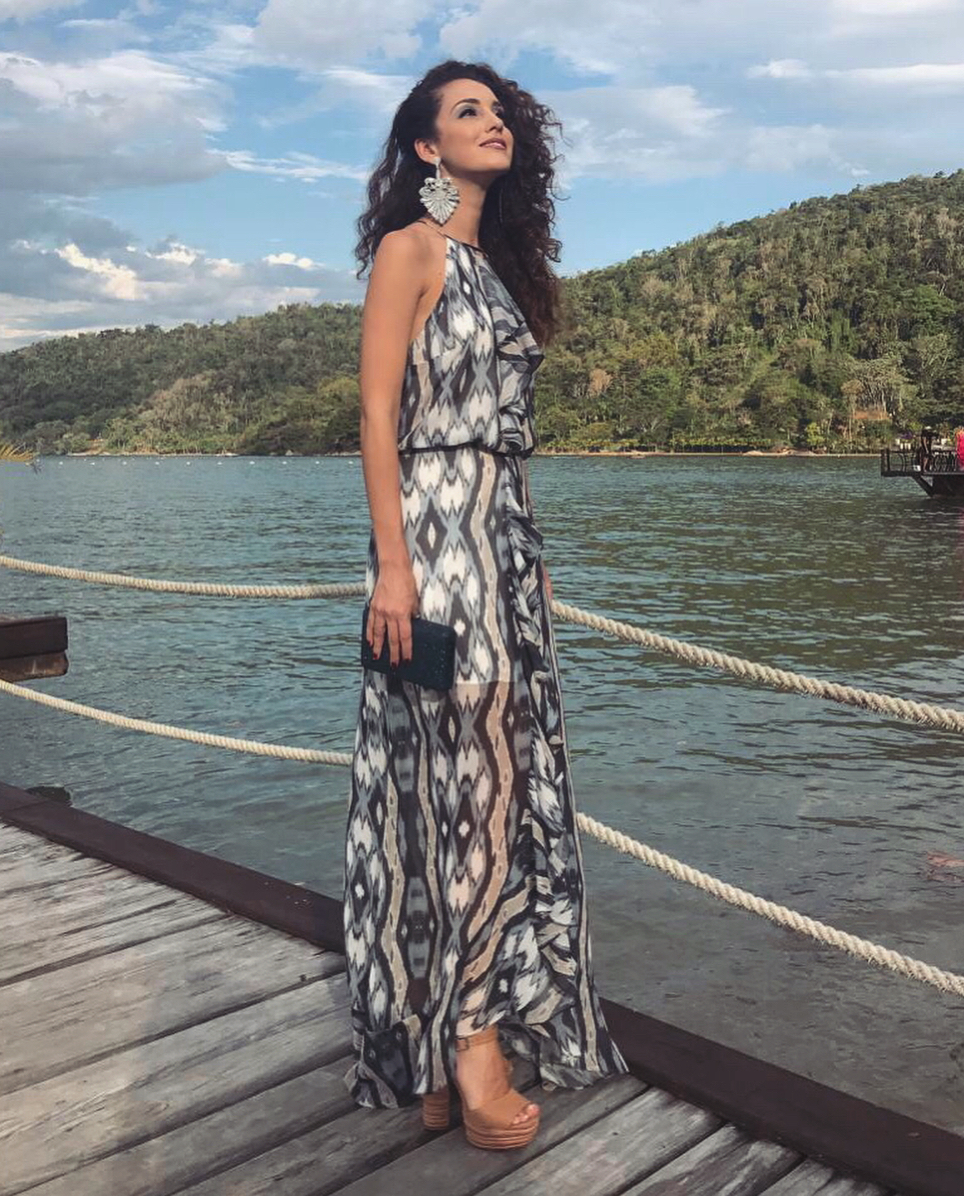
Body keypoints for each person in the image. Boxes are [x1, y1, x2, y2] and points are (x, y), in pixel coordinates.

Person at [343, 61, 629, 1148]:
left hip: (502, 540)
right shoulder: (409, 251)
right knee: (461, 784)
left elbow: (507, 435)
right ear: (426, 147)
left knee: (489, 781)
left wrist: (529, 550)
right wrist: (394, 566)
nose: (492, 122)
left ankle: (434, 1046)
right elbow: (377, 415)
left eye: (500, 111)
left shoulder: (497, 271)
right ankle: (468, 1042)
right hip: (433, 541)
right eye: (468, 112)